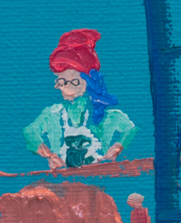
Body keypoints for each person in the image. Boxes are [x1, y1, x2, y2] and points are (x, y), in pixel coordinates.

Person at [23, 28, 137, 170]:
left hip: (100, 174)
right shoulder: (53, 114)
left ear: (88, 82)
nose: (66, 87)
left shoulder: (106, 116)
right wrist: (49, 155)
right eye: (62, 82)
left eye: (74, 81)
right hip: (62, 177)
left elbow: (131, 129)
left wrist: (119, 146)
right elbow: (29, 131)